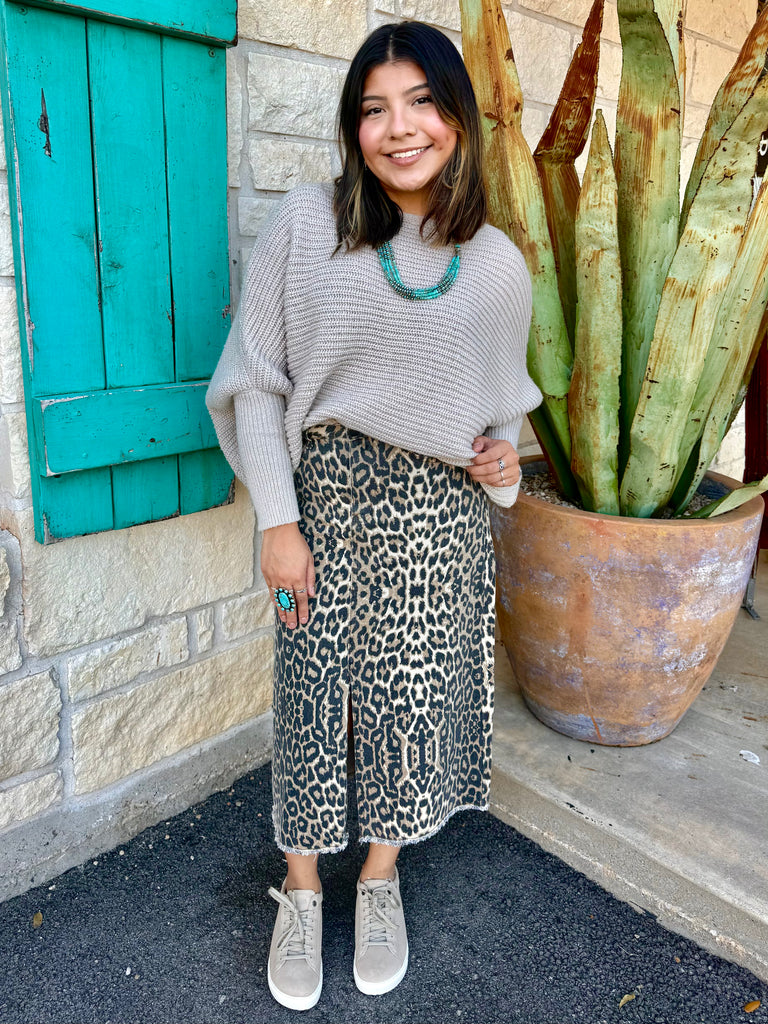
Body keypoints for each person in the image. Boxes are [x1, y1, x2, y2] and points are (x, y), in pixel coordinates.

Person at [206, 19, 542, 1011]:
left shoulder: (499, 267)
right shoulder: (309, 227)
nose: (399, 129)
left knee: (407, 705)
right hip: (328, 498)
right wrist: (277, 517)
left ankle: (380, 874)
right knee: (314, 697)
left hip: (440, 517)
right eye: (373, 109)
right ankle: (303, 887)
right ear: (354, 129)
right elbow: (257, 386)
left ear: (457, 117)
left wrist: (499, 470)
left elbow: (500, 431)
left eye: (421, 102)